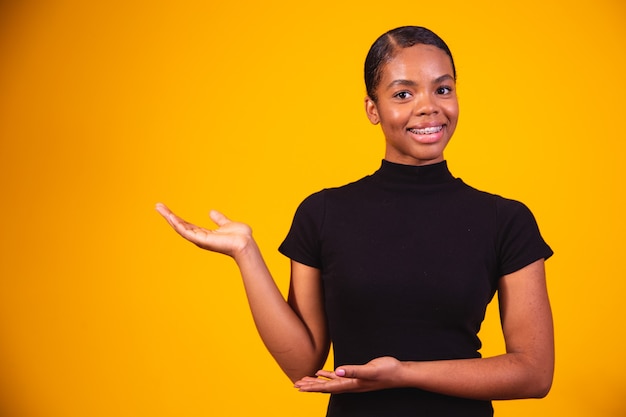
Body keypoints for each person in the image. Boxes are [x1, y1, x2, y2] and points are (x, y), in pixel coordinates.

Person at [156, 26, 554, 417]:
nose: (429, 106)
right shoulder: (323, 213)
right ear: (372, 110)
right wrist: (245, 253)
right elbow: (303, 365)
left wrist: (404, 374)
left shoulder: (505, 220)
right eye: (403, 93)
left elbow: (534, 374)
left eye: (442, 89)